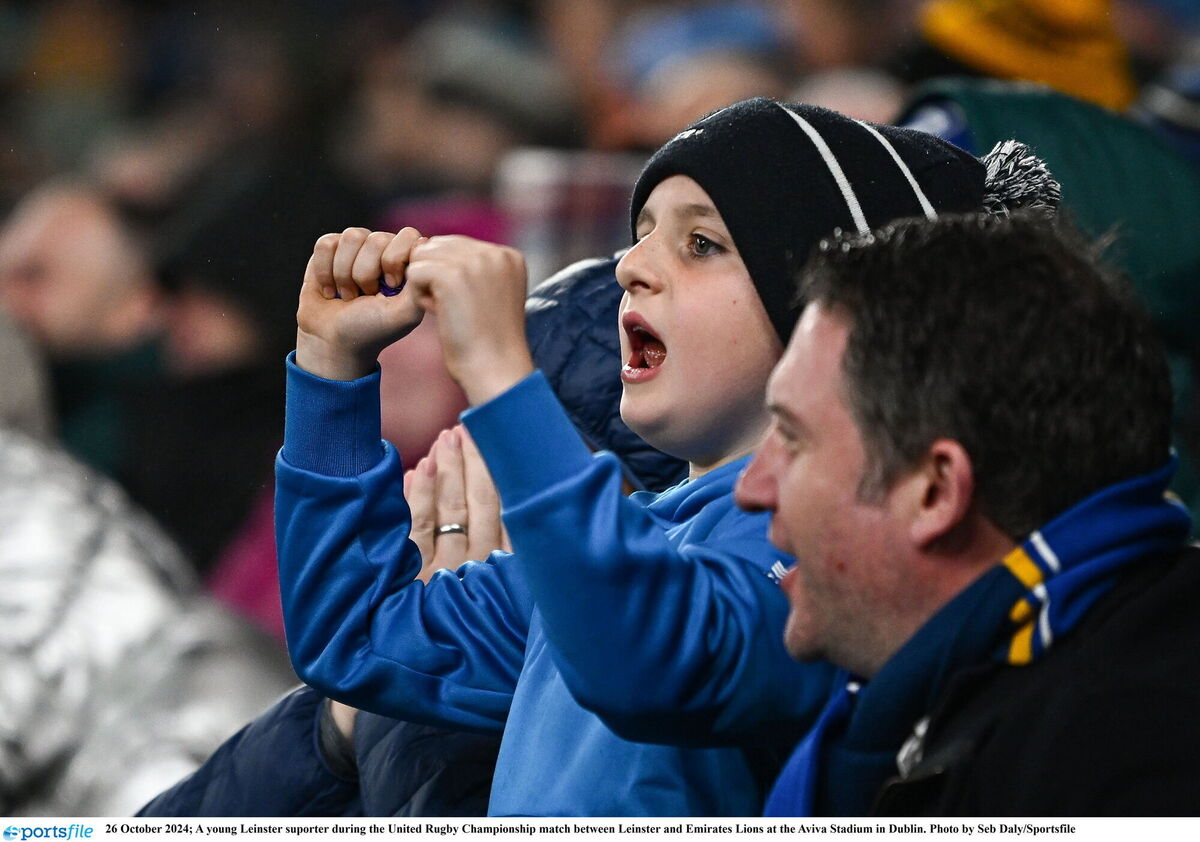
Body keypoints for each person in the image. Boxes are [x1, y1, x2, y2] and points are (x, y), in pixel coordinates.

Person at [275, 98, 1056, 816]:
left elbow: (651, 655)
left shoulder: (836, 560)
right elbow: (358, 632)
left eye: (702, 243)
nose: (629, 265)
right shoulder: (628, 542)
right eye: (642, 231)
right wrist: (330, 370)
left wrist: (503, 379)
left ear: (831, 323)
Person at [138, 254, 686, 817]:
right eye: (490, 436)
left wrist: (414, 699)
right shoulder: (406, 555)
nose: (499, 488)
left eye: (541, 459)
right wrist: (357, 709)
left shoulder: (669, 683)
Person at [735, 211, 1199, 816]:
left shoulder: (1109, 771)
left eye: (792, 438)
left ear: (935, 491)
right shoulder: (950, 705)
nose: (751, 486)